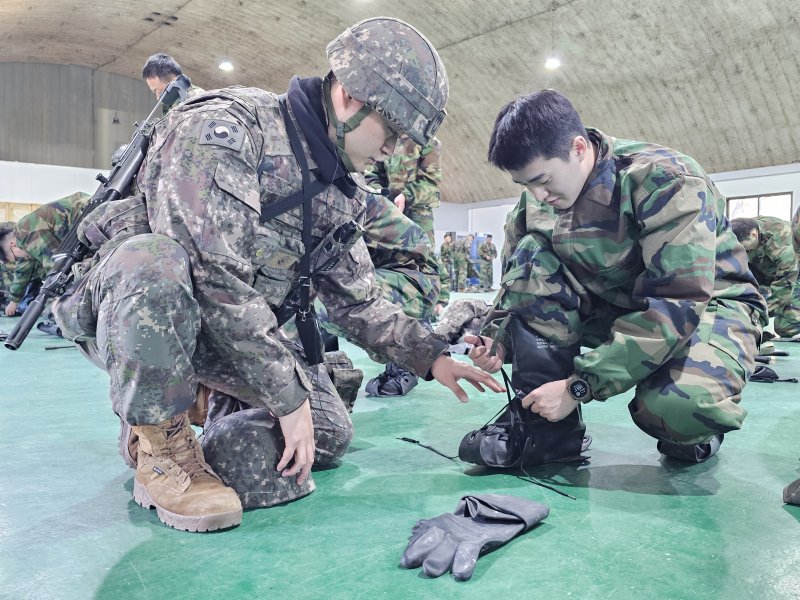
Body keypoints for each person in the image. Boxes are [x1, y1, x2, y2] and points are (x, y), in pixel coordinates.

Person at [52, 17, 502, 533]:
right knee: (157, 260)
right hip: (135, 310)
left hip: (219, 329)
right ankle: (159, 443)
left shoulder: (338, 189)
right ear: (349, 95)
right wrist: (286, 398)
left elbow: (359, 302)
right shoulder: (227, 129)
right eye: (393, 130)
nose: (394, 151)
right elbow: (212, 276)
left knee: (326, 433)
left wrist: (432, 356)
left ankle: (203, 405)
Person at [464, 89, 766, 468]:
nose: (536, 195)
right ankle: (547, 433)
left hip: (707, 309)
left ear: (578, 148)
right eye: (524, 185)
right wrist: (498, 340)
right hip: (617, 303)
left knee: (678, 409)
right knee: (532, 252)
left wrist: (579, 386)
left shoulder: (666, 181)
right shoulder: (539, 200)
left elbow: (678, 300)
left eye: (542, 180)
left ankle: (693, 427)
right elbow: (520, 279)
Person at [1, 192, 90, 317]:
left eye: (15, 258)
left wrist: (60, 301)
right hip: (88, 213)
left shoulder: (25, 233)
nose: (20, 260)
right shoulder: (24, 236)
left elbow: (57, 265)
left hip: (89, 213)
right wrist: (14, 301)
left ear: (12, 246)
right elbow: (23, 271)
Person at [364, 134, 442, 245]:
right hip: (388, 211)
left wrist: (405, 196)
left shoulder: (427, 141)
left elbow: (431, 183)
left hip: (417, 215)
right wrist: (381, 196)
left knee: (421, 252)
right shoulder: (388, 137)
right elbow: (372, 174)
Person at [731, 216, 800, 341]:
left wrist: (761, 313)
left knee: (786, 327)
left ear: (754, 234)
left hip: (793, 276)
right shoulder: (744, 228)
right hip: (766, 272)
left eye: (745, 248)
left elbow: (785, 283)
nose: (744, 251)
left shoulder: (780, 241)